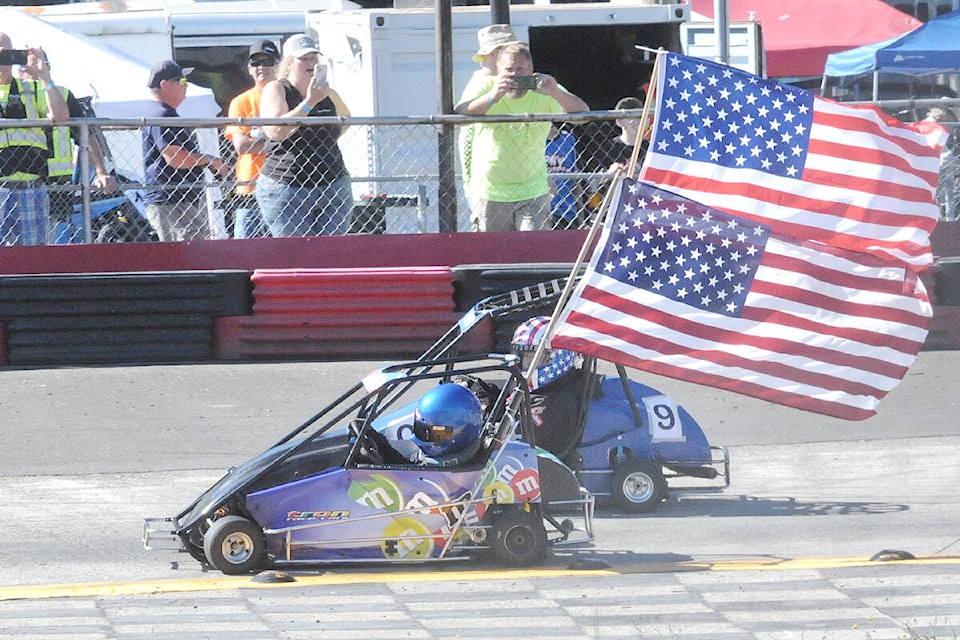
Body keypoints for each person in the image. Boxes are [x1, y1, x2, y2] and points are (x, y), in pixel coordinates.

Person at [455, 42, 589, 232]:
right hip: (490, 190)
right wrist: (493, 96)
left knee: (533, 252)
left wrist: (554, 91)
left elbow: (583, 115)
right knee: (493, 255)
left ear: (531, 70)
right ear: (498, 71)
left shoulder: (544, 88)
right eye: (509, 70)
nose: (515, 75)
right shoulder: (486, 86)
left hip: (533, 190)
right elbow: (459, 116)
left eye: (520, 69)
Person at [256, 33, 352, 237]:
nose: (310, 63)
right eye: (304, 59)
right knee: (297, 257)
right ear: (289, 63)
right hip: (287, 187)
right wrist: (308, 103)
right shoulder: (277, 89)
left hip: (333, 184)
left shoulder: (327, 94)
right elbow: (275, 131)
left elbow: (345, 123)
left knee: (331, 256)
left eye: (314, 58)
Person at [17, 66, 118, 232]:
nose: (36, 69)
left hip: (58, 185)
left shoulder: (63, 95)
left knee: (52, 242)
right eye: (29, 66)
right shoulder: (10, 95)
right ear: (20, 71)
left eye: (41, 64)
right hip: (18, 180)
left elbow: (85, 136)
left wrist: (101, 172)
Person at [141, 60, 230, 241]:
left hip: (175, 199)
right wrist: (208, 159)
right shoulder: (162, 114)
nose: (186, 85)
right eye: (181, 81)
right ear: (165, 85)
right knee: (187, 255)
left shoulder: (163, 113)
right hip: (171, 201)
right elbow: (174, 157)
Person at [0, 33, 69, 246]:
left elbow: (61, 117)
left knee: (33, 259)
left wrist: (44, 78)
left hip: (31, 187)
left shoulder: (32, 88)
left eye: (6, 54)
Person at [511, 316, 601, 458]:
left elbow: (516, 437)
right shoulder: (547, 389)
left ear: (557, 357)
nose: (527, 362)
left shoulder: (556, 402)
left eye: (534, 356)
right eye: (525, 355)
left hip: (545, 471)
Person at [457, 24, 524, 206]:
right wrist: (492, 96)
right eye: (507, 50)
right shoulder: (483, 81)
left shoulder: (496, 81)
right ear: (495, 54)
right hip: (484, 176)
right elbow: (461, 114)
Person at [224, 39, 280, 238]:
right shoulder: (241, 102)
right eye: (256, 63)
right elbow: (242, 146)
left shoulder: (287, 97)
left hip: (284, 185)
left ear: (278, 65)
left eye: (268, 61)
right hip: (250, 188)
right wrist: (278, 141)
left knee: (285, 250)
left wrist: (258, 137)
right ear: (249, 69)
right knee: (245, 250)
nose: (261, 67)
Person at [360, 383, 486, 467]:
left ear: (457, 434)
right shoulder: (436, 458)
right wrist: (381, 444)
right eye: (419, 427)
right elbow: (406, 465)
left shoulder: (445, 470)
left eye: (429, 433)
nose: (420, 436)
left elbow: (407, 479)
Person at [545, 122, 583, 229]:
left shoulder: (568, 139)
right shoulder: (534, 140)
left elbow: (576, 179)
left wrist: (581, 217)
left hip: (568, 210)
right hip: (544, 209)